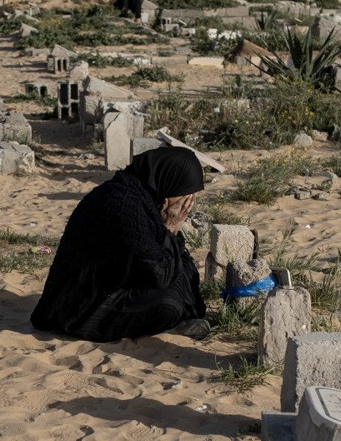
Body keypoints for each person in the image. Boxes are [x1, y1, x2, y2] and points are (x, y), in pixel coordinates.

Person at [31, 146, 209, 342]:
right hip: (78, 307)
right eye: (185, 194)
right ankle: (173, 320)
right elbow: (160, 275)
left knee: (184, 269)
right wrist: (171, 227)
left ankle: (181, 316)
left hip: (113, 282)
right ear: (169, 180)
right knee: (169, 304)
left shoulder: (144, 195)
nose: (187, 204)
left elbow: (171, 260)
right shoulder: (125, 204)